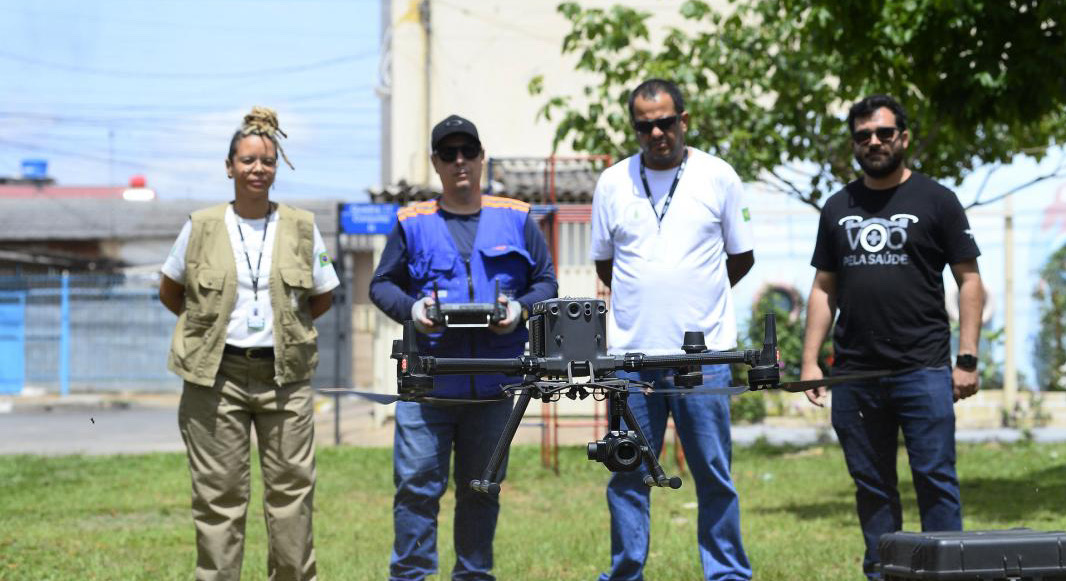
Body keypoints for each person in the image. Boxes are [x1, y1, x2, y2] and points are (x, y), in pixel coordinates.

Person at [800, 94, 983, 580]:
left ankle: (948, 573)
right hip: (855, 376)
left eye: (883, 133)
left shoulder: (937, 200)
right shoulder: (837, 207)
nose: (874, 142)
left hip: (922, 370)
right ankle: (884, 573)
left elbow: (970, 281)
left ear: (902, 136)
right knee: (872, 487)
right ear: (854, 143)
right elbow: (823, 288)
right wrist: (810, 362)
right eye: (864, 136)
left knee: (935, 481)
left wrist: (966, 357)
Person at [369, 114, 558, 581]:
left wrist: (519, 311)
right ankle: (410, 576)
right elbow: (381, 285)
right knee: (416, 489)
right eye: (448, 154)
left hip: (495, 386)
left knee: (482, 489)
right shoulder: (412, 222)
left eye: (467, 152)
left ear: (481, 157)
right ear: (435, 162)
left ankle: (474, 576)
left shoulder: (516, 216)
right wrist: (413, 310)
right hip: (429, 385)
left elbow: (547, 282)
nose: (459, 162)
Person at [159, 106, 339, 581]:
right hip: (215, 379)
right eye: (247, 160)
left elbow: (323, 295)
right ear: (229, 166)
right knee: (219, 498)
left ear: (277, 167)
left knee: (292, 496)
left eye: (267, 161)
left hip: (285, 379)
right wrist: (210, 329)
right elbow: (170, 290)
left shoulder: (301, 226)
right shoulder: (201, 226)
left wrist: (285, 329)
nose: (257, 169)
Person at [590, 78, 755, 581]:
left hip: (702, 362)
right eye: (645, 126)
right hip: (630, 358)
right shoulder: (612, 183)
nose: (657, 133)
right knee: (626, 473)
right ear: (635, 128)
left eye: (665, 122)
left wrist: (697, 298)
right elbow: (605, 265)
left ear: (684, 120)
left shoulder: (718, 176)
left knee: (713, 473)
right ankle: (626, 572)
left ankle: (726, 572)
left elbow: (741, 257)